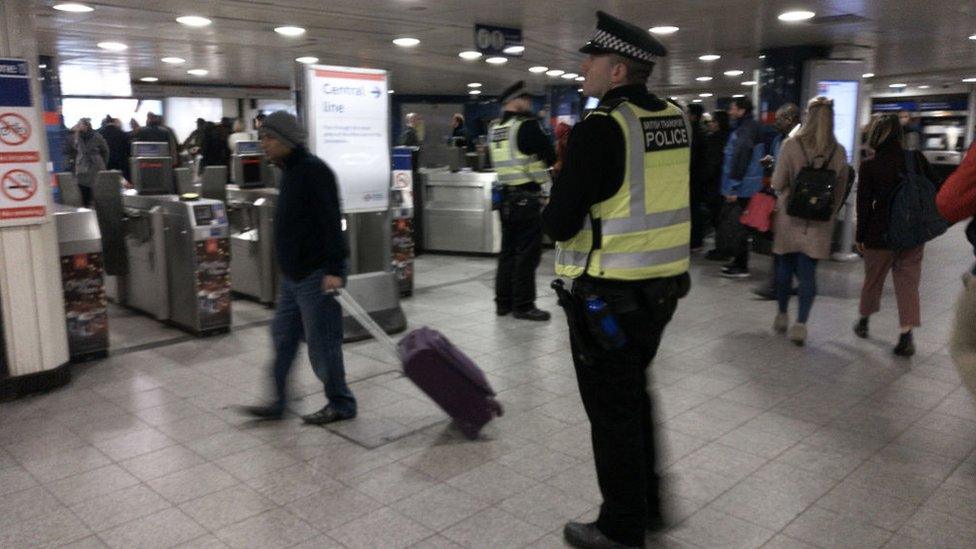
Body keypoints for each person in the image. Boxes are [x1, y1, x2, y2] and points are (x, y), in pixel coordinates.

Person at [544, 11, 691, 548]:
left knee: (612, 413)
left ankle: (620, 527)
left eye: (592, 59)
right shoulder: (675, 118)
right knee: (635, 395)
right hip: (663, 289)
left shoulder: (602, 128)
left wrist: (559, 186)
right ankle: (650, 504)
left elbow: (558, 223)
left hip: (608, 296)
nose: (583, 66)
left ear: (618, 71)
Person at [241, 111, 356, 424]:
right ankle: (278, 402)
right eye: (262, 137)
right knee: (283, 338)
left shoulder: (313, 171)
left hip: (317, 274)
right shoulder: (289, 170)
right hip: (294, 277)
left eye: (268, 137)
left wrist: (334, 269)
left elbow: (332, 221)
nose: (262, 143)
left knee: (322, 345)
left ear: (286, 140)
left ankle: (342, 403)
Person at [768, 97, 849, 346]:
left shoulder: (791, 145)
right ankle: (801, 324)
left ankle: (782, 315)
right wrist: (828, 212)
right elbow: (840, 191)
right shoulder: (839, 151)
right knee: (808, 273)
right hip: (819, 223)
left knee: (784, 267)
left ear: (808, 116)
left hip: (790, 217)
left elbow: (778, 183)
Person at [855, 113, 937, 356]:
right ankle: (906, 336)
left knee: (873, 280)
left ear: (875, 135)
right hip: (912, 233)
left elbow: (864, 205)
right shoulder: (916, 159)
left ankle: (864, 322)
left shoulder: (870, 165)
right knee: (908, 284)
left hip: (879, 234)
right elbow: (936, 186)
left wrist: (860, 237)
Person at [489, 80, 556, 321]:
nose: (529, 102)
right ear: (514, 101)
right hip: (527, 200)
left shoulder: (495, 129)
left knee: (507, 252)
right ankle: (524, 305)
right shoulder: (526, 126)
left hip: (505, 199)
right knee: (527, 254)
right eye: (525, 98)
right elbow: (551, 154)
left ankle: (503, 304)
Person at [754, 103, 801, 300]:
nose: (775, 123)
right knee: (784, 243)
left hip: (794, 200)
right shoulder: (778, 140)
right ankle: (792, 282)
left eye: (779, 120)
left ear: (790, 119)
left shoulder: (802, 139)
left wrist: (778, 166)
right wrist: (771, 163)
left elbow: (798, 169)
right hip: (780, 197)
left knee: (781, 243)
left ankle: (777, 285)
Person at [719, 97, 765, 278]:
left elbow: (740, 159)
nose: (730, 112)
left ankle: (740, 265)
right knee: (739, 226)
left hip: (744, 187)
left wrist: (733, 188)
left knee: (738, 227)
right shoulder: (747, 127)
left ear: (741, 110)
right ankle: (738, 261)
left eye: (733, 109)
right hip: (747, 185)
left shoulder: (745, 130)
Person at [703, 110, 732, 259]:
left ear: (719, 123)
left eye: (713, 121)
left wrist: (704, 178)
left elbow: (712, 165)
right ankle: (724, 248)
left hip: (715, 185)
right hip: (726, 183)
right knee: (724, 219)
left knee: (718, 218)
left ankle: (722, 250)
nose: (710, 124)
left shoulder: (715, 139)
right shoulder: (731, 136)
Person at [66, 118, 109, 206]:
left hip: (94, 165)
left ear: (86, 125)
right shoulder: (77, 136)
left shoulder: (97, 136)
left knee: (95, 189)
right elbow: (74, 147)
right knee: (83, 188)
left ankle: (96, 209)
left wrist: (103, 163)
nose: (78, 125)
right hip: (82, 164)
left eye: (80, 124)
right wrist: (76, 132)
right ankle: (86, 208)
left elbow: (105, 150)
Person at [687, 103, 708, 251]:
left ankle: (695, 241)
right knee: (695, 209)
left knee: (693, 210)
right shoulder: (702, 132)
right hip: (699, 178)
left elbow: (692, 158)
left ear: (693, 115)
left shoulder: (694, 133)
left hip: (693, 178)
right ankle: (697, 240)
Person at [98, 116, 129, 181]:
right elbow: (127, 150)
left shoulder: (98, 133)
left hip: (104, 164)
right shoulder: (122, 133)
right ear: (113, 122)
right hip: (119, 164)